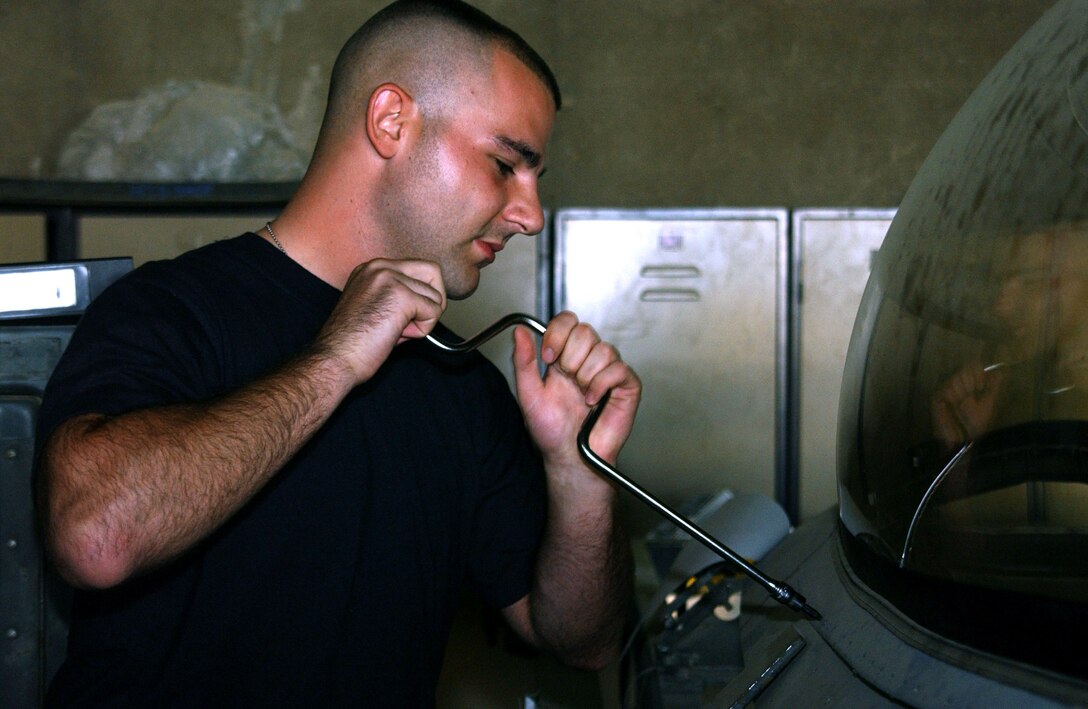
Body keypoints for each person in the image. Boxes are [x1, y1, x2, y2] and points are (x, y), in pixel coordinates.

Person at [33, 1, 641, 706]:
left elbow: (582, 639)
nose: (531, 214)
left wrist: (580, 469)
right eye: (506, 163)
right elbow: (94, 537)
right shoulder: (172, 310)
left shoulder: (460, 383)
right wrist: (337, 359)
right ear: (392, 122)